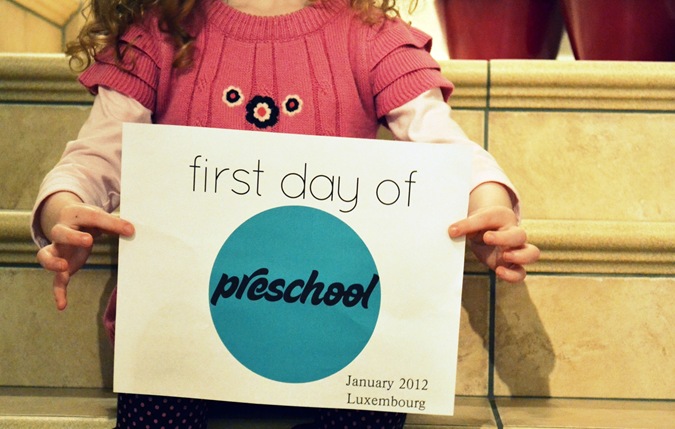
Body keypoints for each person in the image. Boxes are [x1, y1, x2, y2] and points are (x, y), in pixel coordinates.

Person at [31, 0, 540, 428]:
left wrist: (488, 205)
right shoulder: (158, 35)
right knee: (154, 391)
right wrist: (64, 207)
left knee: (379, 392)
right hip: (184, 332)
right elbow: (96, 157)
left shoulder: (371, 37)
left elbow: (448, 151)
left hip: (332, 328)